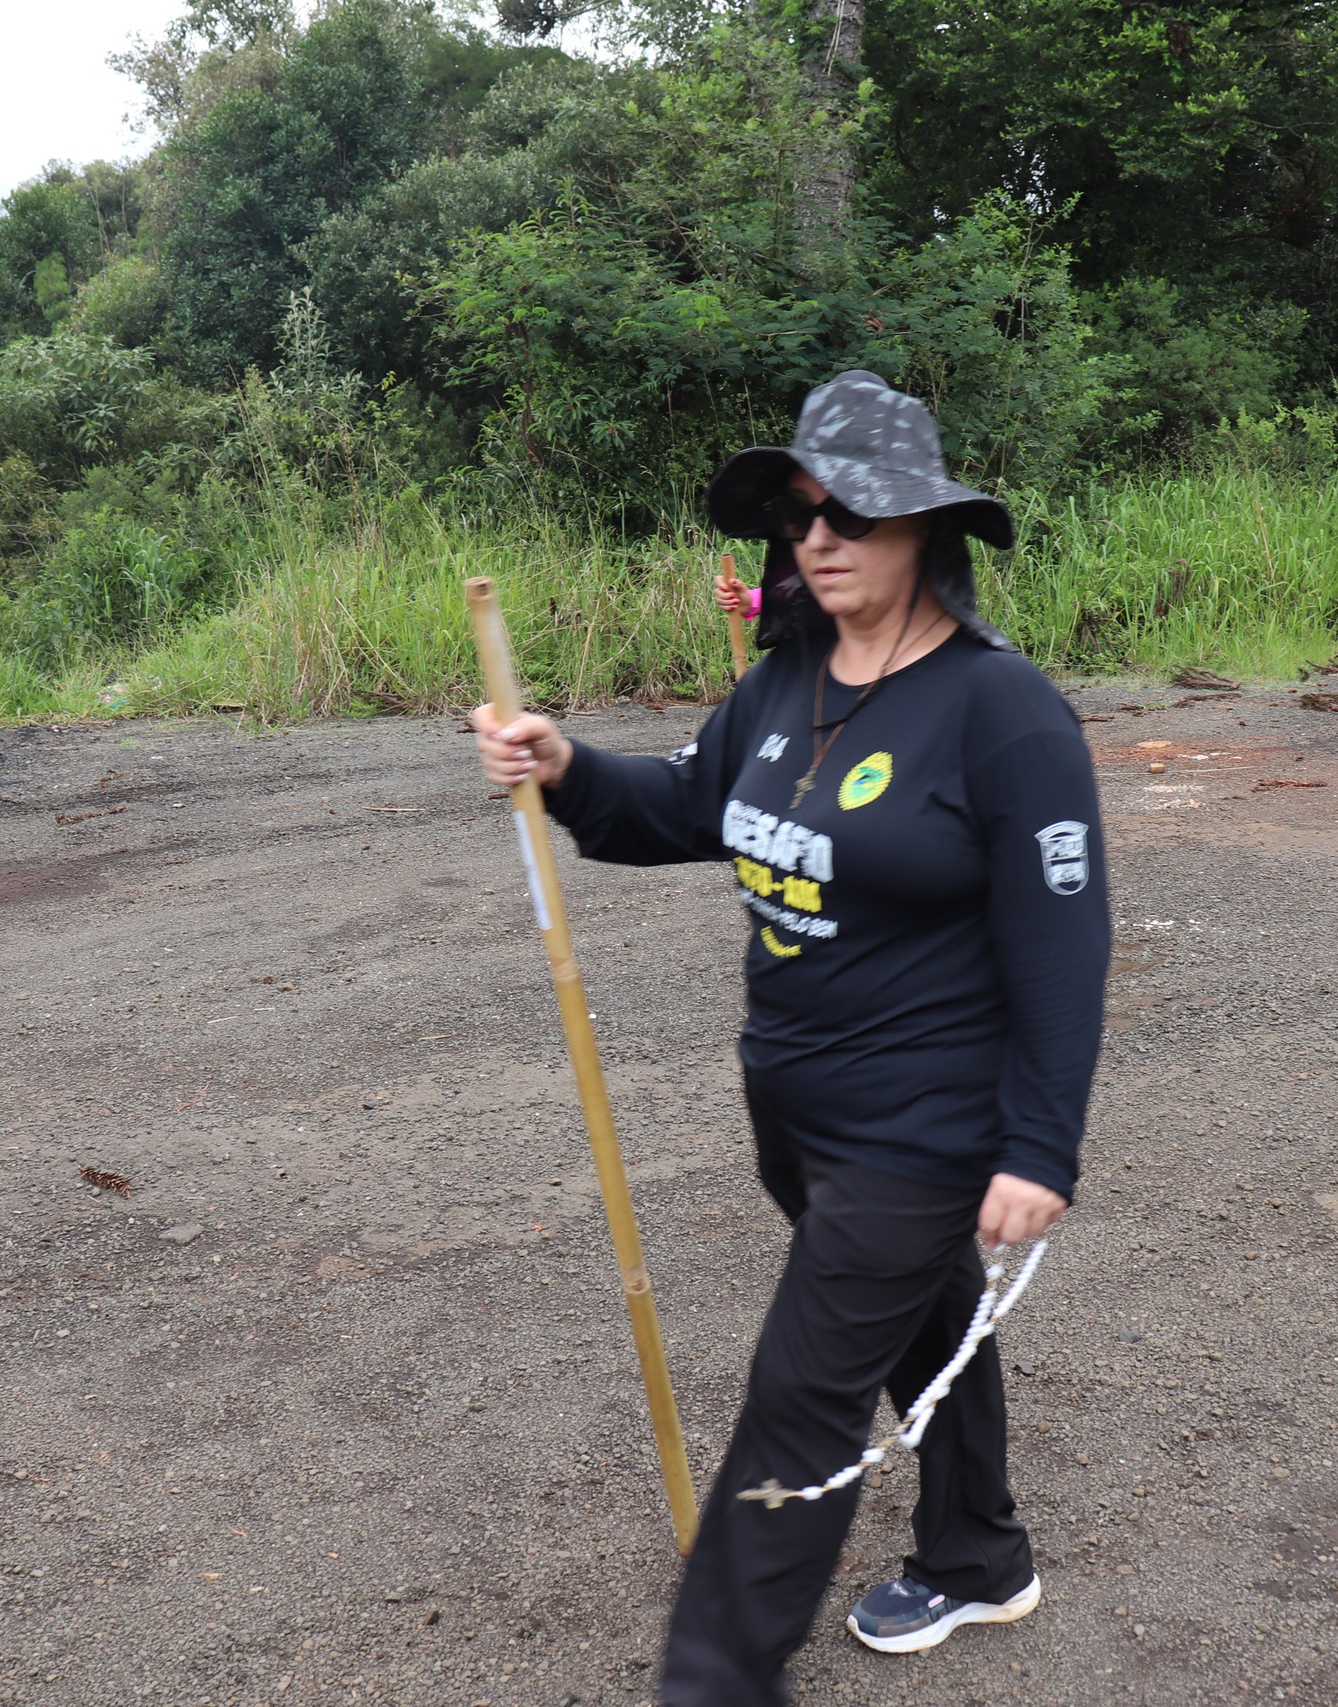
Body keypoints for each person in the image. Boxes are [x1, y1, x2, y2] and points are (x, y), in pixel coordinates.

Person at [472, 370, 1110, 1704]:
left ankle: (717, 1674)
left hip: (925, 1126)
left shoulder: (1005, 713)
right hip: (800, 1113)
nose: (819, 539)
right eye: (803, 515)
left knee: (801, 1395)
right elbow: (690, 806)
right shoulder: (786, 680)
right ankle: (979, 1549)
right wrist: (569, 766)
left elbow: (1066, 946)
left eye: (853, 515)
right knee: (931, 1321)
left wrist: (1039, 1141)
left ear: (926, 528)